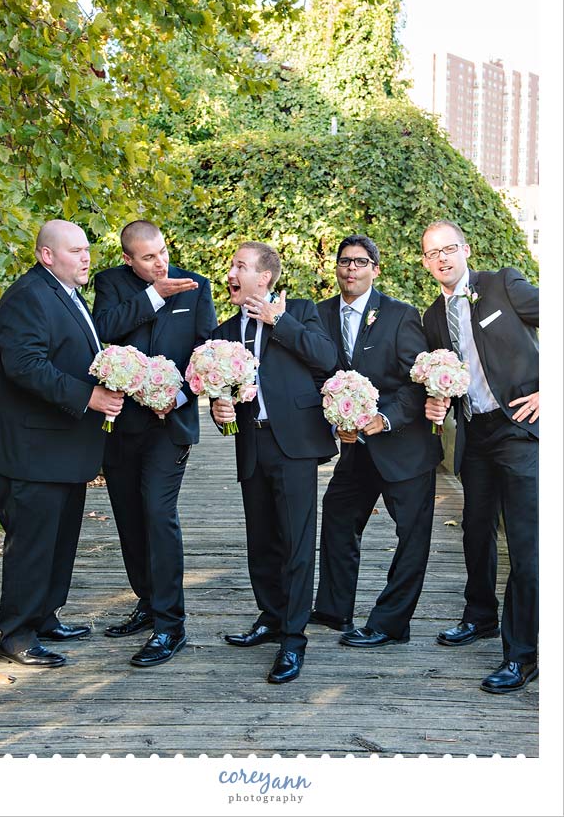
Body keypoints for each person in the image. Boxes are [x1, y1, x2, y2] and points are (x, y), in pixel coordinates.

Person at [0, 219, 124, 667]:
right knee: (32, 545)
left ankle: (45, 617)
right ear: (47, 255)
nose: (86, 258)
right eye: (75, 251)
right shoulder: (28, 296)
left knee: (59, 541)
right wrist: (89, 396)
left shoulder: (66, 293)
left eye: (87, 249)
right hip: (32, 452)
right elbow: (24, 365)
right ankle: (17, 635)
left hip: (63, 451)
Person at [211, 242, 337, 684]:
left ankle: (293, 639)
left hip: (294, 445)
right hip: (252, 443)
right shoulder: (224, 331)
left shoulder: (299, 311)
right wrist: (220, 409)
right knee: (261, 540)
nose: (231, 272)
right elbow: (221, 390)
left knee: (296, 543)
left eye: (240, 266)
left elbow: (326, 357)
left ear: (264, 278)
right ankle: (271, 616)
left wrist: (277, 321)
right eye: (232, 265)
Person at [421, 219, 539, 694]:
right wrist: (437, 402)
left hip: (520, 428)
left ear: (466, 249)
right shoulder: (432, 317)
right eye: (433, 253)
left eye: (449, 249)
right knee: (475, 529)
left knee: (526, 545)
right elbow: (445, 379)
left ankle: (523, 655)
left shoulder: (502, 284)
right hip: (474, 433)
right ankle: (480, 616)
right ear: (425, 263)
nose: (442, 259)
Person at [92, 220, 217, 667]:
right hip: (122, 424)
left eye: (162, 251)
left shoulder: (196, 287)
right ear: (128, 259)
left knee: (159, 515)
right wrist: (153, 296)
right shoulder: (109, 284)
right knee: (129, 517)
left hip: (170, 425)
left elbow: (208, 353)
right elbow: (102, 329)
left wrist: (177, 397)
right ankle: (147, 602)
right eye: (148, 257)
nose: (160, 262)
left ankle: (170, 625)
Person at [310, 234, 443, 649]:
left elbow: (417, 382)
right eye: (344, 261)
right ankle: (334, 609)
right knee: (337, 516)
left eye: (360, 262)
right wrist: (337, 424)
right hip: (355, 448)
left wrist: (384, 419)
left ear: (375, 269)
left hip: (404, 447)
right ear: (336, 268)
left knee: (411, 538)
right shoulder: (319, 314)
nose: (351, 268)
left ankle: (390, 624)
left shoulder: (401, 315)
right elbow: (317, 377)